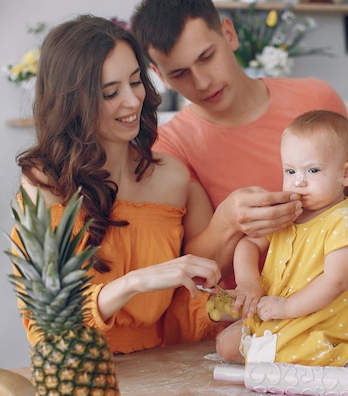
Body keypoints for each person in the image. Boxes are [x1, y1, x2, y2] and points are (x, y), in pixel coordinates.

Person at [131, 0, 348, 284]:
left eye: (206, 57)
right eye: (179, 73)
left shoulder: (316, 99)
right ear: (159, 73)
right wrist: (227, 221)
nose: (201, 83)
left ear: (229, 35)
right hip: (243, 321)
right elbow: (198, 272)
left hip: (329, 309)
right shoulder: (170, 148)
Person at [12, 15, 223, 354]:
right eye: (110, 92)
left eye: (136, 81)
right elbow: (46, 319)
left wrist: (235, 308)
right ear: (72, 103)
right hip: (77, 372)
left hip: (161, 372)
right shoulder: (45, 185)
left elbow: (188, 304)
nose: (132, 100)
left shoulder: (173, 177)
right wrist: (136, 282)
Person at [215, 110, 348, 370]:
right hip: (280, 314)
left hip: (316, 321)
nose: (299, 182)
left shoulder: (343, 221)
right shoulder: (287, 212)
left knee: (286, 352)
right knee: (225, 346)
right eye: (291, 171)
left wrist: (287, 307)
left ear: (347, 173)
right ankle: (285, 348)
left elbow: (337, 280)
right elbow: (249, 243)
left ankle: (339, 355)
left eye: (313, 170)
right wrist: (248, 281)